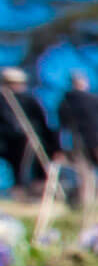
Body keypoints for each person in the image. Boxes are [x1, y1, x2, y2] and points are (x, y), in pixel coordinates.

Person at [57, 71, 98, 208]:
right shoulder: (95, 100)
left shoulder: (65, 102)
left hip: (78, 141)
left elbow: (63, 123)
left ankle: (86, 201)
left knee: (85, 172)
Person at [0, 67, 55, 195]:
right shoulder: (4, 100)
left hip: (28, 140)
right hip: (9, 141)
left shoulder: (29, 100)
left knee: (29, 166)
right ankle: (20, 189)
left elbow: (42, 122)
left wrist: (52, 144)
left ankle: (30, 189)